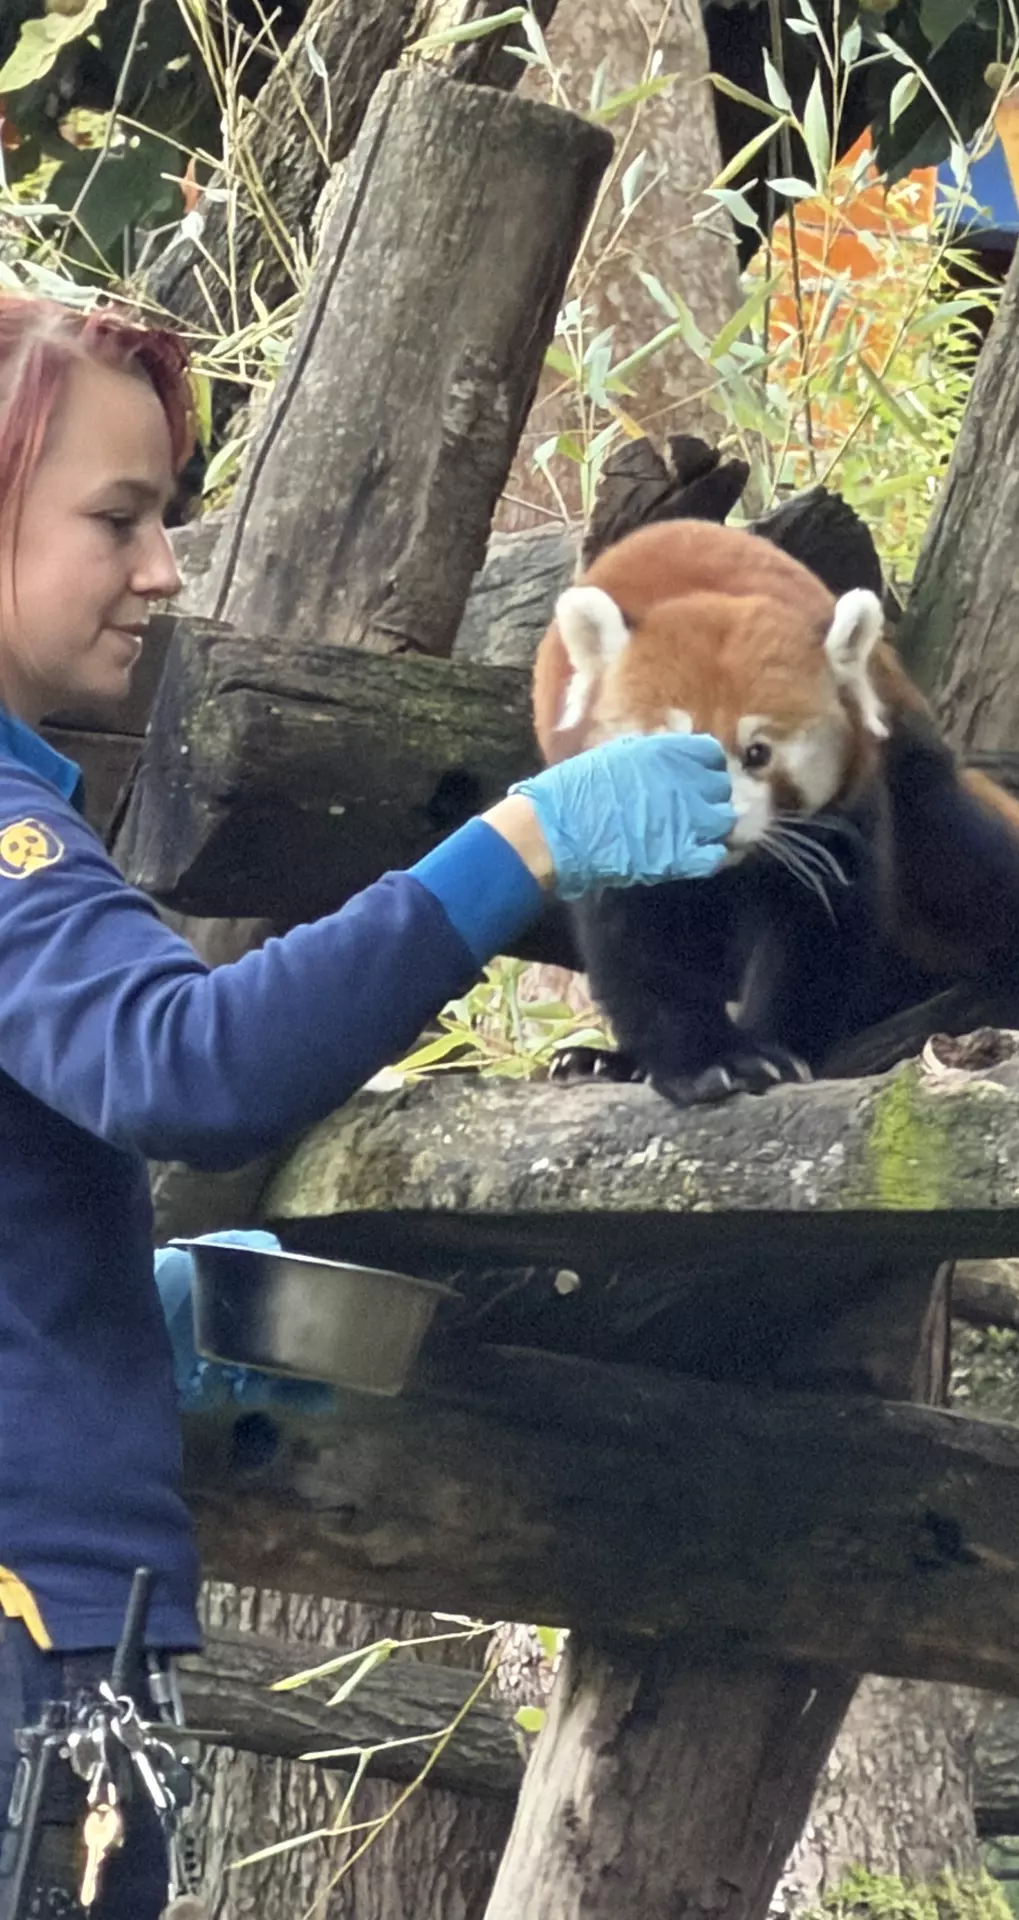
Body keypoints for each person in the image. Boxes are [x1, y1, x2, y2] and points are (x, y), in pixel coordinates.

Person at [0, 293, 736, 1917]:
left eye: (167, 521)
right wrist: (520, 853)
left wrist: (122, 1318)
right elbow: (188, 1063)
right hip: (35, 1653)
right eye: (115, 519)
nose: (163, 571)